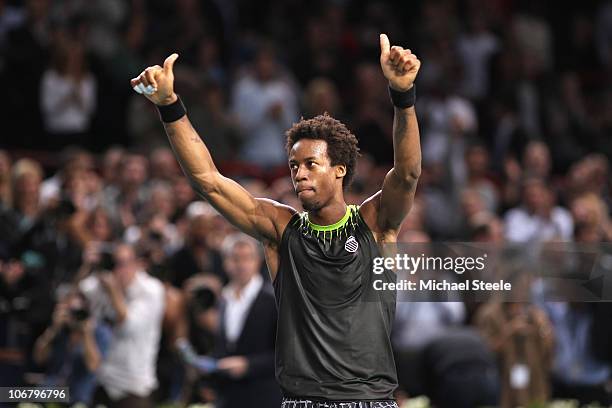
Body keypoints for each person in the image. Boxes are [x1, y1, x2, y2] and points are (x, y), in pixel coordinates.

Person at [130, 33, 421, 406]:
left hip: (370, 400)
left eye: (311, 164)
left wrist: (403, 97)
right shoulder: (281, 228)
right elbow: (209, 183)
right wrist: (170, 105)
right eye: (294, 166)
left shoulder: (375, 223)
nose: (299, 174)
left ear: (339, 170)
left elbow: (408, 173)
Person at [213, 233, 281, 407]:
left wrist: (249, 365)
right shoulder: (223, 299)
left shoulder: (274, 299)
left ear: (258, 261)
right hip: (229, 397)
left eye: (247, 258)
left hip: (264, 397)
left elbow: (286, 353)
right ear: (225, 262)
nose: (241, 265)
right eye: (235, 259)